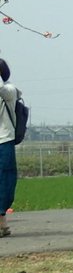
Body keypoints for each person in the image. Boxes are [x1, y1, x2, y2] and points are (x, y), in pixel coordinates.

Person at [0, 58, 18, 238]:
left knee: (4, 182)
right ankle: (2, 224)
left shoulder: (9, 91)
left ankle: (2, 221)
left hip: (4, 140)